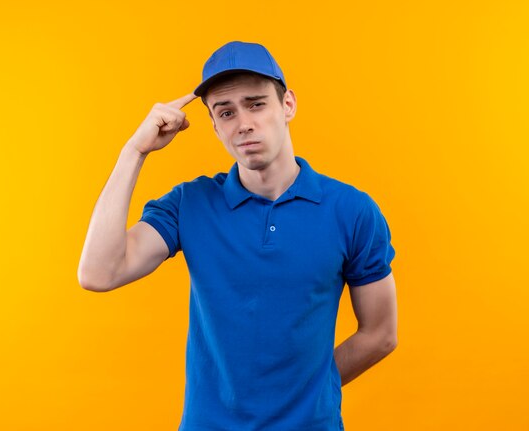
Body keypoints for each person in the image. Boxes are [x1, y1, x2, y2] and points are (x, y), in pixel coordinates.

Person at [78, 41, 398, 431]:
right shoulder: (188, 204)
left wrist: (314, 386)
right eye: (226, 112)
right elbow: (99, 273)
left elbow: (381, 334)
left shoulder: (352, 210)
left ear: (288, 105)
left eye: (256, 104)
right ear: (214, 126)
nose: (243, 122)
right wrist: (134, 152)